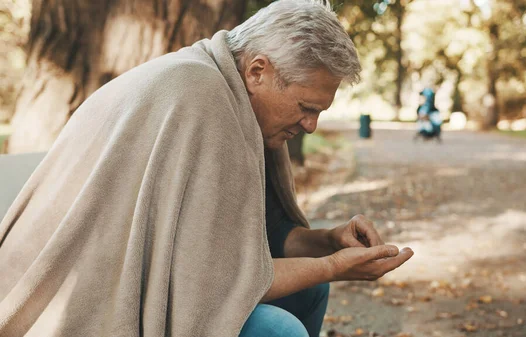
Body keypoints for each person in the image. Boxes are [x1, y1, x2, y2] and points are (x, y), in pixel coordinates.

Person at [0, 1, 414, 336]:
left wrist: (329, 242)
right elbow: (214, 281)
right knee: (277, 330)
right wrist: (333, 266)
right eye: (306, 108)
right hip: (81, 302)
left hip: (146, 279)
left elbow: (257, 240)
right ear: (257, 70)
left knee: (310, 291)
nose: (311, 125)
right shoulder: (200, 96)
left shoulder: (233, 93)